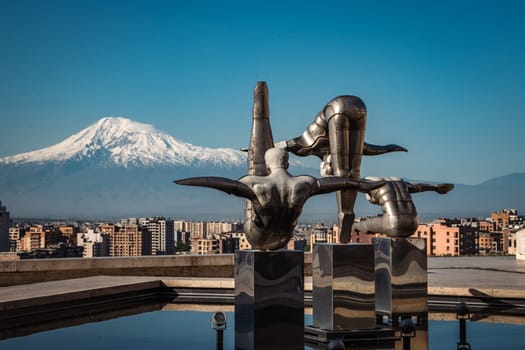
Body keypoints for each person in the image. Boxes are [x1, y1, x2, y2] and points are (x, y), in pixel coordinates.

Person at [175, 147, 384, 250]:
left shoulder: (255, 183)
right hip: (285, 237)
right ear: (289, 164)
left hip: (258, 237)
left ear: (267, 165)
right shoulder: (304, 184)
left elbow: (223, 184)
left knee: (252, 203)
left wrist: (191, 181)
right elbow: (339, 183)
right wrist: (364, 184)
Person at [277, 95, 407, 243]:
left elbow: (285, 144)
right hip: (360, 108)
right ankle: (347, 215)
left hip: (336, 109)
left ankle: (345, 213)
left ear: (326, 165)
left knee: (344, 173)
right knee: (353, 170)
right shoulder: (342, 146)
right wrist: (390, 148)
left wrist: (256, 149)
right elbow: (369, 149)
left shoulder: (306, 146)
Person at [353, 176, 454, 238]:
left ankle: (351, 227)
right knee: (382, 218)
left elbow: (350, 185)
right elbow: (420, 186)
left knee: (364, 224)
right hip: (413, 223)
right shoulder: (402, 184)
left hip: (394, 224)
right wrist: (436, 188)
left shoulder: (370, 185)